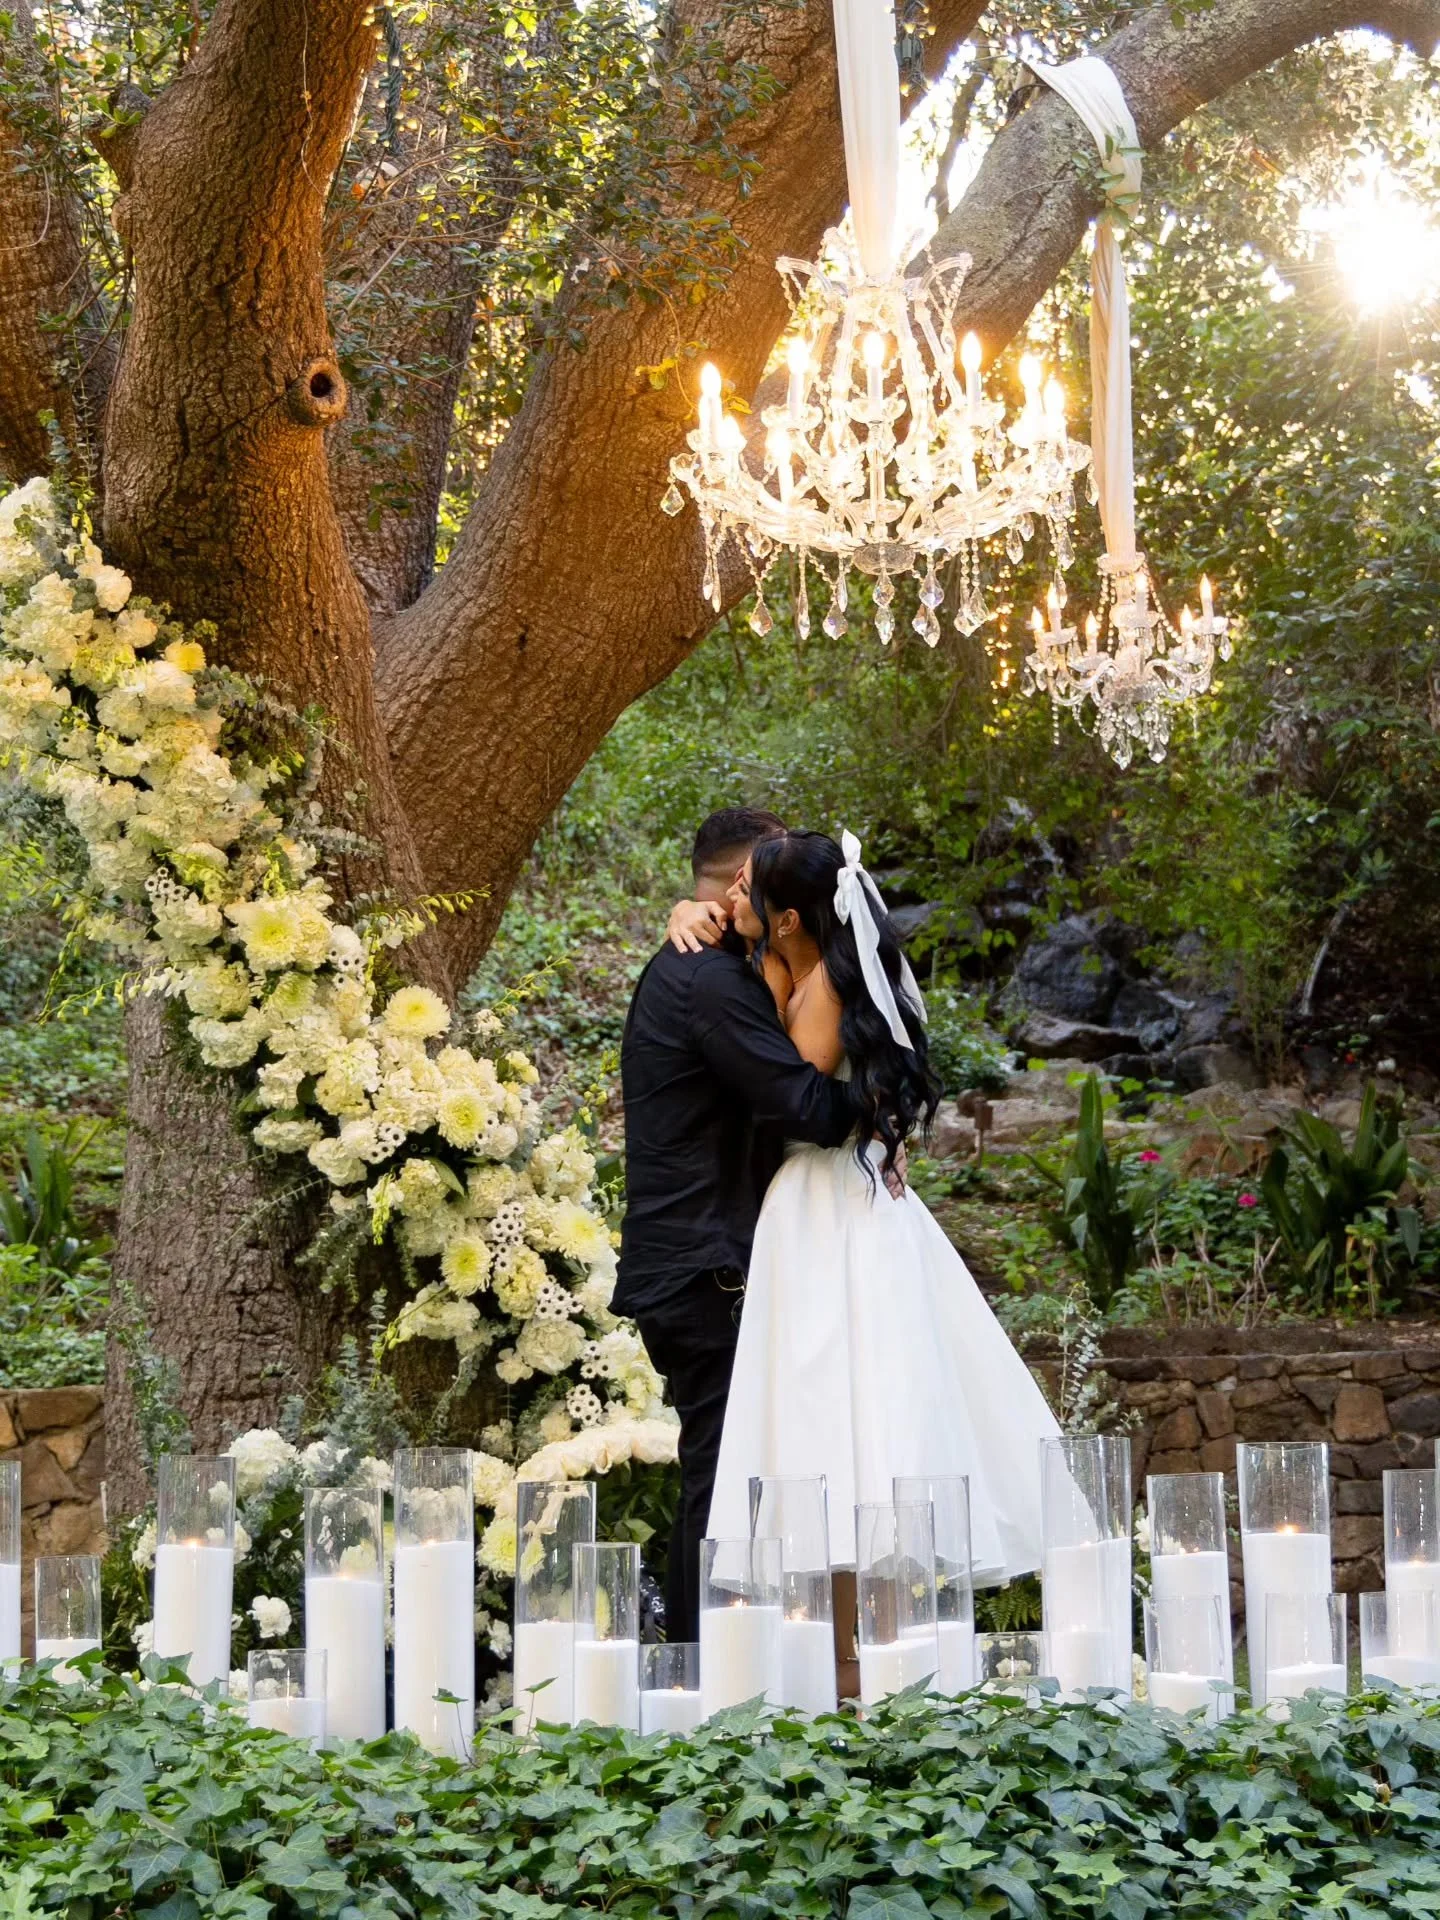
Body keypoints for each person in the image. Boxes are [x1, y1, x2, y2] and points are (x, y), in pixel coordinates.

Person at [687, 827, 1062, 1584]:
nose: (727, 895)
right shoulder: (814, 967)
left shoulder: (823, 988)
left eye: (743, 887)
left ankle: (854, 1641)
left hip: (826, 1203)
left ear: (787, 918)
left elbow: (788, 1092)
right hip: (844, 1192)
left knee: (838, 1392)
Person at [615, 808, 858, 1641]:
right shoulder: (708, 981)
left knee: (735, 1483)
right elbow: (803, 1103)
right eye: (767, 871)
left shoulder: (723, 965)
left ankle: (729, 1675)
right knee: (722, 1489)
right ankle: (696, 1680)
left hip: (704, 1263)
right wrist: (887, 1103)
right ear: (734, 888)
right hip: (703, 1270)